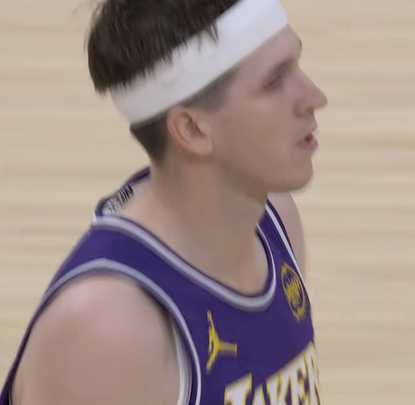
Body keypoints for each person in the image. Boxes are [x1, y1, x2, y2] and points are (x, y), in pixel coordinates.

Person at [0, 0, 327, 403]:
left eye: (296, 66)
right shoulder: (107, 328)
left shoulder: (275, 219)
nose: (314, 97)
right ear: (191, 129)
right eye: (274, 82)